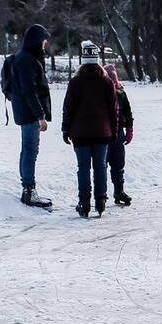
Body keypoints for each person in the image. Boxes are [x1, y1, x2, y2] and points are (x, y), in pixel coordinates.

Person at [62, 42, 118, 217]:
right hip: (102, 132)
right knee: (100, 167)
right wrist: (114, 130)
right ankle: (100, 201)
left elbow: (68, 108)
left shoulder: (75, 82)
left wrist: (65, 129)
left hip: (80, 133)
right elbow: (113, 109)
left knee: (83, 167)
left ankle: (84, 202)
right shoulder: (107, 82)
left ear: (82, 60)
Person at [9, 24, 53, 209]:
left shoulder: (26, 57)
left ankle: (27, 187)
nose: (45, 43)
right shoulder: (27, 60)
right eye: (44, 39)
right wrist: (40, 115)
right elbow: (29, 90)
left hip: (25, 111)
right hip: (29, 114)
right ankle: (29, 191)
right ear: (37, 40)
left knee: (27, 149)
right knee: (30, 150)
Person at [103, 64, 134, 206]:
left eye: (114, 79)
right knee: (102, 163)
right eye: (110, 79)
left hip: (119, 132)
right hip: (104, 133)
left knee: (118, 162)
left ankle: (119, 191)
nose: (113, 82)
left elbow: (127, 110)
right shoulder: (100, 92)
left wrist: (130, 128)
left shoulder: (121, 91)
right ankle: (101, 194)